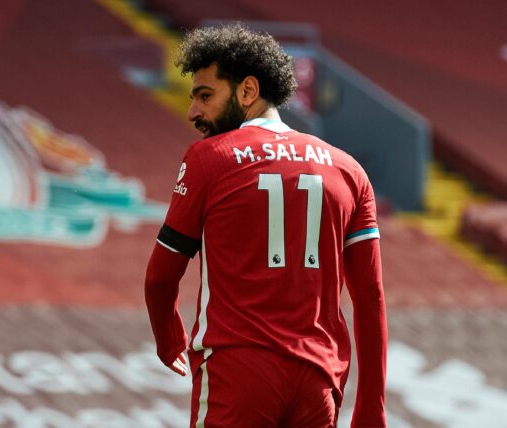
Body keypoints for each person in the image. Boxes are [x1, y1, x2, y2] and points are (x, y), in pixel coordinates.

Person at [144, 24, 387, 428]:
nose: (193, 112)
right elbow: (370, 297)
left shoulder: (209, 158)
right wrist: (372, 408)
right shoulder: (349, 171)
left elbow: (160, 278)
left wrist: (168, 338)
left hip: (237, 371)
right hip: (319, 381)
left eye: (205, 96)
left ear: (247, 91)